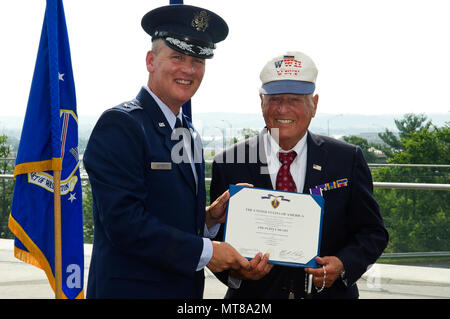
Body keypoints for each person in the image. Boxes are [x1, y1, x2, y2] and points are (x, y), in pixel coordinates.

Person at [83, 4, 251, 299]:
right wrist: (208, 251)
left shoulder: (188, 131)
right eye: (177, 57)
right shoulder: (121, 125)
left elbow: (166, 214)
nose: (188, 69)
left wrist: (209, 218)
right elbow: (125, 224)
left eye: (198, 60)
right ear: (151, 60)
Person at [210, 51, 389, 299]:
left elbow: (372, 232)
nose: (283, 108)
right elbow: (214, 242)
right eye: (274, 99)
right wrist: (238, 273)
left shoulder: (347, 160)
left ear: (314, 104)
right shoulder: (229, 162)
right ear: (261, 101)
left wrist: (343, 264)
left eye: (295, 99)